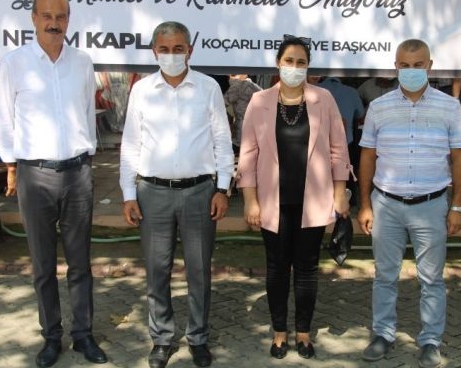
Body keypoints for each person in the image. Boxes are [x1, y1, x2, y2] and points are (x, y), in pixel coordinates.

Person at [0, 0, 107, 368]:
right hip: (35, 174)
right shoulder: (14, 63)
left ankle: (83, 335)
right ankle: (51, 336)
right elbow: (3, 118)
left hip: (77, 173)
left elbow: (88, 112)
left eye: (60, 17)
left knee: (80, 263)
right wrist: (12, 165)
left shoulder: (82, 62)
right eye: (46, 16)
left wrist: (88, 155)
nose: (53, 23)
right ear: (34, 18)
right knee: (43, 264)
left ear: (68, 20)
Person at [119, 21, 234, 368]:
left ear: (189, 51)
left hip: (200, 192)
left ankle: (198, 337)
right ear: (155, 52)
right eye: (165, 50)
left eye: (178, 49)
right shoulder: (142, 90)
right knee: (157, 270)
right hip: (152, 193)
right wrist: (128, 193)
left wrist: (223, 188)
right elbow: (131, 143)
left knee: (199, 270)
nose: (171, 55)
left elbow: (222, 140)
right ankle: (162, 339)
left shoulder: (208, 87)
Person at [236, 35, 351, 360]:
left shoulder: (323, 99)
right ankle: (279, 332)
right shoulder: (259, 102)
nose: (295, 67)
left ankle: (303, 332)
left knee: (307, 268)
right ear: (278, 63)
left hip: (312, 201)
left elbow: (338, 149)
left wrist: (340, 193)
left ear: (308, 66)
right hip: (272, 202)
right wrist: (250, 201)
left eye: (301, 62)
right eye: (289, 61)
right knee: (276, 268)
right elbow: (248, 154)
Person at [357, 39, 461, 368]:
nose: (411, 71)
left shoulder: (449, 107)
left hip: (431, 205)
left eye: (418, 65)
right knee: (384, 275)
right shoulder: (379, 107)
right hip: (385, 204)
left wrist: (457, 205)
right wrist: (364, 204)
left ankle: (431, 340)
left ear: (429, 66)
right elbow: (367, 156)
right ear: (396, 67)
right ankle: (383, 334)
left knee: (431, 278)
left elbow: (460, 157)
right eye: (404, 65)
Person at [224, 74, 262, 154]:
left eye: (233, 74)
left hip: (242, 130)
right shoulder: (255, 87)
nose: (230, 77)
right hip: (258, 128)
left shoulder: (238, 86)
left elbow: (221, 104)